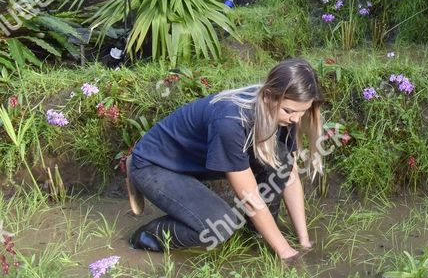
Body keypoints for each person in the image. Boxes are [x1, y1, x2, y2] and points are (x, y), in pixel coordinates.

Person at [125, 58, 326, 263]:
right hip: (155, 164)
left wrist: (304, 241)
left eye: (302, 112)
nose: (296, 120)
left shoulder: (286, 113)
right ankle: (144, 237)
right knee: (219, 225)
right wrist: (286, 254)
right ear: (268, 96)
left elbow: (288, 174)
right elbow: (251, 200)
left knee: (281, 159)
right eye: (290, 111)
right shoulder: (230, 122)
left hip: (193, 161)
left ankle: (257, 232)